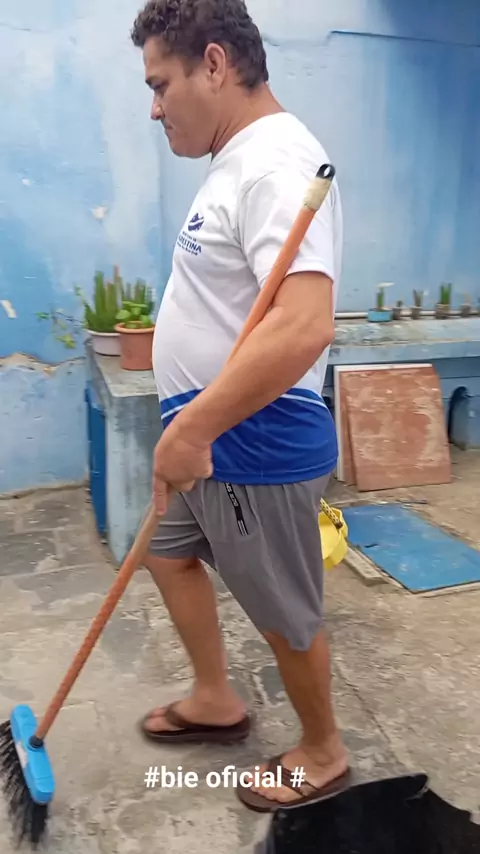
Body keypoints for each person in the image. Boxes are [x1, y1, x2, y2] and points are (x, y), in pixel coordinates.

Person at [131, 0, 351, 812]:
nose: (155, 108)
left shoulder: (276, 166)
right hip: (209, 438)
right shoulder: (237, 161)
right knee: (165, 554)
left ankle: (324, 750)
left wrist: (193, 427)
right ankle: (216, 698)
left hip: (250, 441)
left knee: (283, 611)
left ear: (215, 65)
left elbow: (303, 325)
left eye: (160, 85)